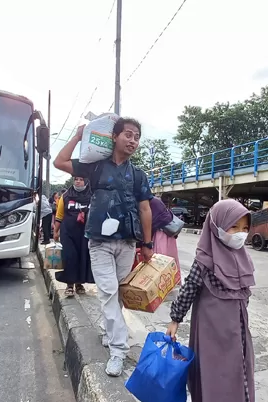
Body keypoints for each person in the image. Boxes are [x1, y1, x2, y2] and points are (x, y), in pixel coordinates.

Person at [54, 117, 154, 377]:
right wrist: (77, 137)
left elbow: (145, 209)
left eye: (137, 137)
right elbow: (59, 162)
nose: (132, 140)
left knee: (117, 294)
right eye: (128, 134)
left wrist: (148, 243)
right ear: (114, 136)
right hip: (99, 242)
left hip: (128, 242)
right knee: (108, 293)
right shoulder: (94, 168)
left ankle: (111, 335)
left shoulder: (138, 175)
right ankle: (118, 351)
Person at [166, 199, 255, 402]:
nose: (240, 234)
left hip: (237, 331)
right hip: (210, 332)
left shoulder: (243, 257)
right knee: (213, 375)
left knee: (238, 374)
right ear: (216, 226)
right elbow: (188, 291)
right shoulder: (205, 260)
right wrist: (175, 319)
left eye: (245, 229)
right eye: (234, 227)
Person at [53, 177, 93, 297]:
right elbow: (59, 215)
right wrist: (56, 231)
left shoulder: (92, 196)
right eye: (76, 179)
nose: (78, 181)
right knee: (70, 257)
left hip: (85, 233)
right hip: (68, 233)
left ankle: (79, 284)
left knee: (83, 257)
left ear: (86, 182)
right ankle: (69, 285)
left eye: (81, 179)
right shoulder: (65, 196)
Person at [149, 196, 182, 285]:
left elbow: (150, 223)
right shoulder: (157, 203)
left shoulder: (150, 203)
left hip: (160, 235)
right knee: (170, 261)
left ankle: (159, 285)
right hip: (168, 235)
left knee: (159, 261)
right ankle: (172, 283)